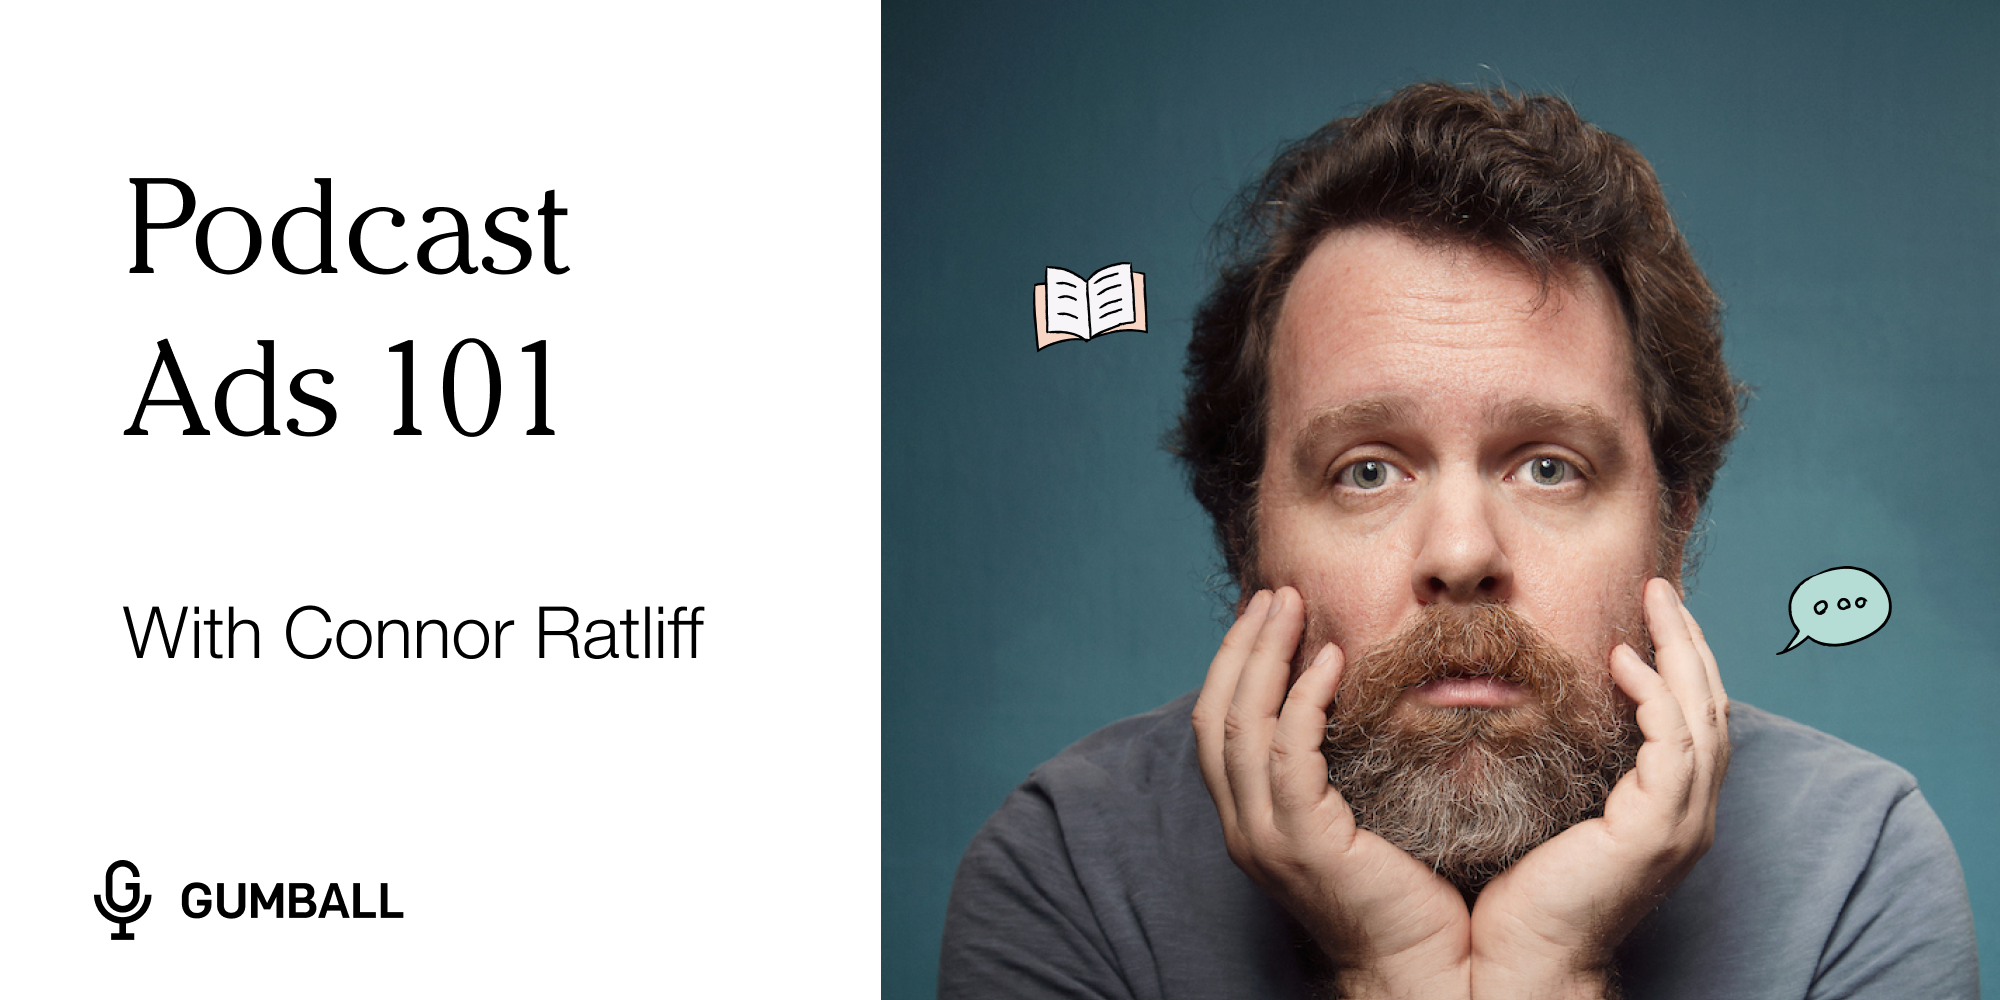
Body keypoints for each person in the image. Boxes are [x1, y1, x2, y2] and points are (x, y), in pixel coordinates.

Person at [939, 84, 1978, 999]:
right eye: (1367, 470)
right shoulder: (1066, 871)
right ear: (1241, 535)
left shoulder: (1857, 868)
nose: (1462, 553)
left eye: (1547, 467)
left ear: (1674, 526)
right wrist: (1387, 967)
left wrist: (1553, 970)